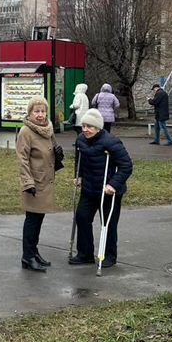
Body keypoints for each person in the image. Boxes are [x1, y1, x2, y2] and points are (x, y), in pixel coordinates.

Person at [69, 108, 133, 269]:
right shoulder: (80, 141)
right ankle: (85, 254)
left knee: (108, 223)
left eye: (89, 127)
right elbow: (80, 160)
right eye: (83, 126)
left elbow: (126, 166)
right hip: (89, 188)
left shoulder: (112, 142)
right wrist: (79, 176)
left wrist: (113, 185)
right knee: (82, 218)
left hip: (108, 191)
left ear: (98, 128)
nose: (85, 130)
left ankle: (109, 256)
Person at [16, 95, 58, 272]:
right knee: (32, 220)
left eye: (43, 111)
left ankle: (34, 252)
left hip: (46, 181)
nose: (40, 115)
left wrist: (58, 154)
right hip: (34, 183)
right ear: (30, 113)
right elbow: (22, 159)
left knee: (39, 219)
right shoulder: (26, 132)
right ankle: (27, 256)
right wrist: (28, 182)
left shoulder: (48, 129)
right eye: (36, 111)